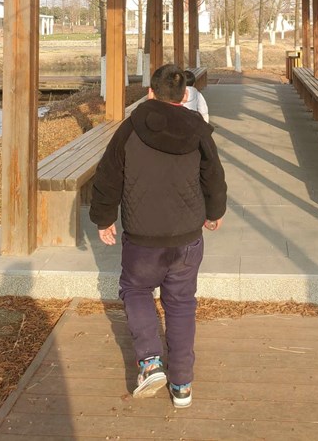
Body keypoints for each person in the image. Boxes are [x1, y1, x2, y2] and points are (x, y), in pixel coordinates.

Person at [89, 63, 227, 409]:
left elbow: (108, 175)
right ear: (185, 95)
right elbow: (213, 174)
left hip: (143, 236)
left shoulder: (130, 128)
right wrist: (214, 211)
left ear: (150, 92)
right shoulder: (198, 129)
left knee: (135, 289)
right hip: (186, 236)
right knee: (180, 303)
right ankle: (182, 384)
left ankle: (150, 362)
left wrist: (104, 218)